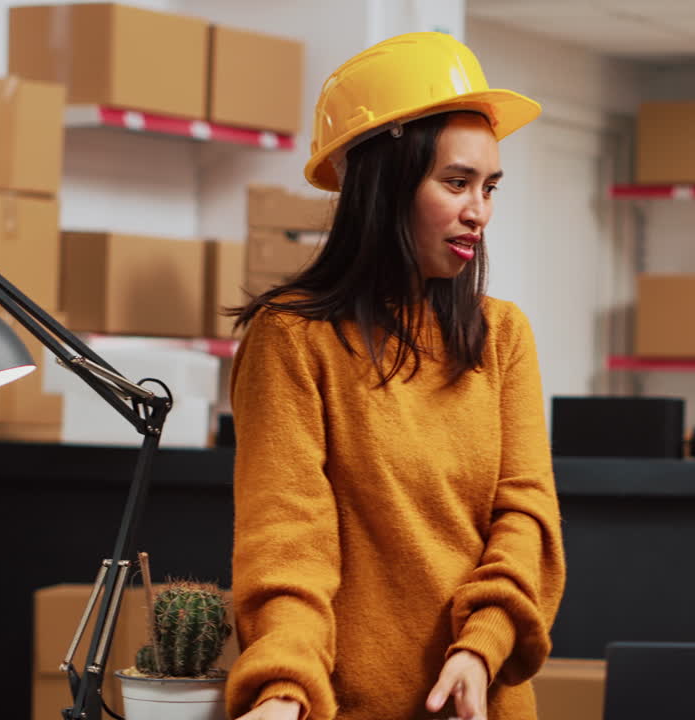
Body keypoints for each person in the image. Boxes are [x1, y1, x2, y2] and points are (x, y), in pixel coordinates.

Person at [224, 33, 565, 720]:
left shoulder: (501, 336)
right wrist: (283, 689)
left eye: (490, 188)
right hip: (346, 706)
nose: (480, 212)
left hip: (485, 701)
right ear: (384, 184)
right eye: (457, 182)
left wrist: (480, 645)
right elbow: (286, 541)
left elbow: (526, 518)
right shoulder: (292, 337)